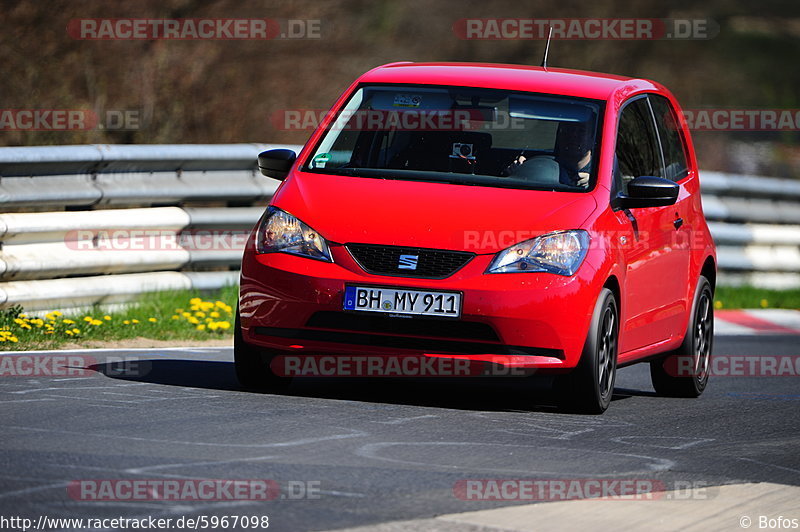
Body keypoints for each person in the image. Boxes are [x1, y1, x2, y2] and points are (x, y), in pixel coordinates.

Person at [504, 122, 592, 187]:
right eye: (568, 130)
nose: (573, 136)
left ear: (593, 137)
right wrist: (518, 173)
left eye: (581, 131)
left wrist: (597, 183)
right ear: (559, 134)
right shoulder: (538, 163)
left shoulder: (602, 171)